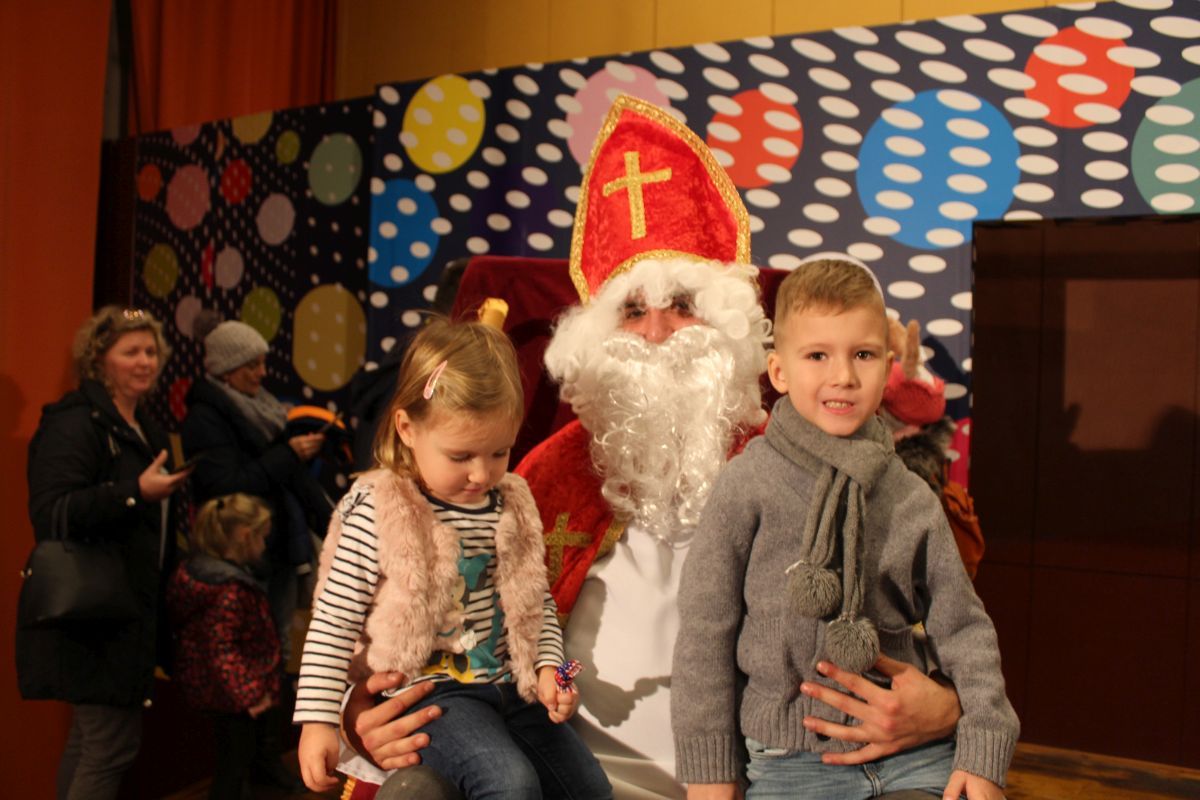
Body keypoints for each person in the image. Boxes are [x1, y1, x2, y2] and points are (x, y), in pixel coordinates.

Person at [340, 96, 964, 800]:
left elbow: (932, 615)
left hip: (765, 779)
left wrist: (947, 705)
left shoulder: (801, 466)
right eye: (633, 310)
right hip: (572, 778)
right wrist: (364, 713)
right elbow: (425, 617)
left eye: (684, 307)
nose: (660, 334)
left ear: (730, 331)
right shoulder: (539, 478)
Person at [671, 258, 1018, 799]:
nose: (844, 377)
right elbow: (704, 634)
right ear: (779, 371)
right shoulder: (745, 486)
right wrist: (711, 776)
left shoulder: (910, 497)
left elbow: (965, 630)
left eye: (863, 355)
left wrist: (984, 749)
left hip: (911, 757)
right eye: (817, 356)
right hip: (792, 765)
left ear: (887, 367)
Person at [293, 316, 611, 800]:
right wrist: (317, 722)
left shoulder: (512, 502)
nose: (481, 474)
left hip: (511, 687)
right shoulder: (379, 507)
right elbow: (333, 622)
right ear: (407, 429)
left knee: (589, 788)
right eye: (461, 456)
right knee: (509, 784)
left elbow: (535, 603)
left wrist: (551, 668)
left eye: (499, 452)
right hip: (433, 691)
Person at [17, 306, 192, 799]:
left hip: (128, 612)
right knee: (109, 746)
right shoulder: (76, 422)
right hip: (94, 616)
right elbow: (51, 513)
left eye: (151, 351)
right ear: (99, 360)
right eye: (130, 351)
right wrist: (134, 493)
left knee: (91, 742)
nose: (145, 361)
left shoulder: (144, 428)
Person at [181, 312, 331, 793]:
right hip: (240, 555)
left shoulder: (260, 408)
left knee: (275, 651)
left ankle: (264, 761)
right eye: (252, 365)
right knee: (246, 658)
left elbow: (289, 480)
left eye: (263, 362)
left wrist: (332, 521)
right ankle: (243, 769)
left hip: (275, 547)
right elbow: (224, 483)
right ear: (227, 369)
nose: (262, 373)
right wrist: (289, 455)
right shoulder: (206, 417)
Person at [166, 493, 284, 799]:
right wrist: (251, 695)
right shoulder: (229, 588)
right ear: (245, 536)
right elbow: (222, 650)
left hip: (220, 691)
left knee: (237, 762)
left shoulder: (202, 574)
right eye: (262, 537)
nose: (265, 546)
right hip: (233, 698)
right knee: (233, 767)